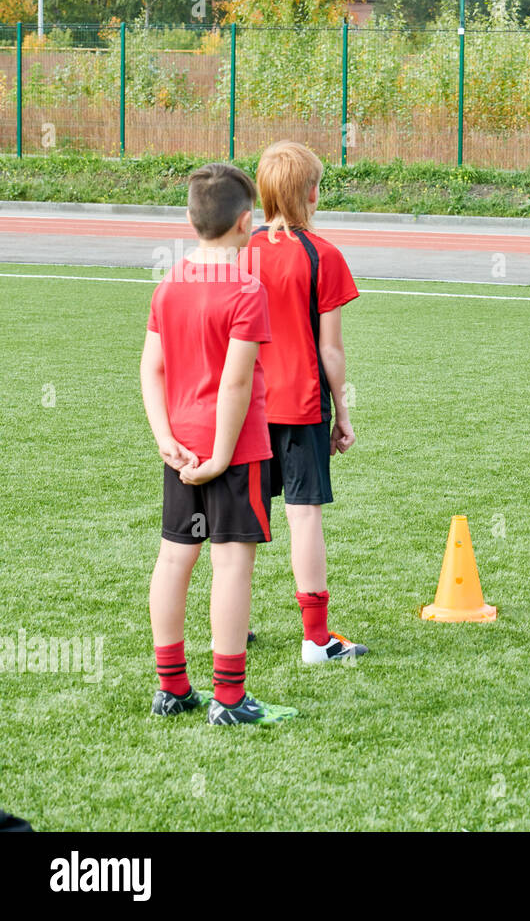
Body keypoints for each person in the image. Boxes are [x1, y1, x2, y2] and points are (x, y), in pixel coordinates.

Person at [141, 162, 296, 724]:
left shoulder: (169, 282)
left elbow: (150, 368)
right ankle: (229, 699)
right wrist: (223, 456)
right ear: (246, 223)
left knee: (175, 557)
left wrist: (165, 438)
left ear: (189, 219)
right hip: (233, 452)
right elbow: (234, 381)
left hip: (179, 446)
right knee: (232, 566)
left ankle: (173, 688)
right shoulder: (246, 290)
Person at [247, 141, 367, 663]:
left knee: (239, 523)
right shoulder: (323, 254)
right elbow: (331, 350)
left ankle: (227, 628)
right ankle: (316, 640)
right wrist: (343, 413)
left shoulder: (237, 251)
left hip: (243, 408)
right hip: (301, 405)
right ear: (313, 192)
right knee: (304, 517)